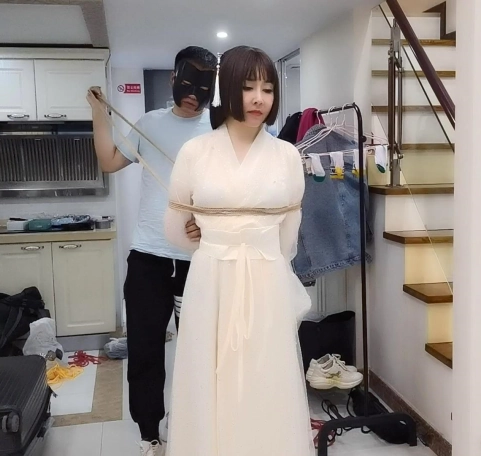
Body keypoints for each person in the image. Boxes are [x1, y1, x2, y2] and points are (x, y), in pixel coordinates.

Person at [164, 45, 314, 456]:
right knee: (208, 377)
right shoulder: (195, 151)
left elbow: (288, 238)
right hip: (211, 279)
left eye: (267, 89)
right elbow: (174, 230)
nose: (258, 98)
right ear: (228, 88)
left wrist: (245, 245)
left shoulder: (287, 155)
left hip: (266, 280)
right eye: (248, 87)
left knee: (266, 377)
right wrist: (213, 239)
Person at [86, 46, 218, 456]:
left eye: (204, 86)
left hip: (201, 260)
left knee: (203, 351)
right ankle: (149, 434)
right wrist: (99, 113)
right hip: (149, 258)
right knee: (145, 350)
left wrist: (210, 222)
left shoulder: (219, 128)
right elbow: (109, 162)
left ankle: (198, 425)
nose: (194, 94)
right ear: (173, 79)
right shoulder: (149, 123)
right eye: (188, 83)